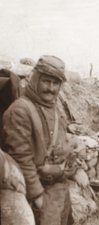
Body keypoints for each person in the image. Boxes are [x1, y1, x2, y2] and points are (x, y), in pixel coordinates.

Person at [2, 55, 72, 225]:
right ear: (35, 79)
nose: (51, 88)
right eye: (46, 81)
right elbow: (22, 159)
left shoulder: (54, 109)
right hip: (37, 194)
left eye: (56, 84)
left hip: (58, 190)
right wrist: (38, 196)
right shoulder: (20, 110)